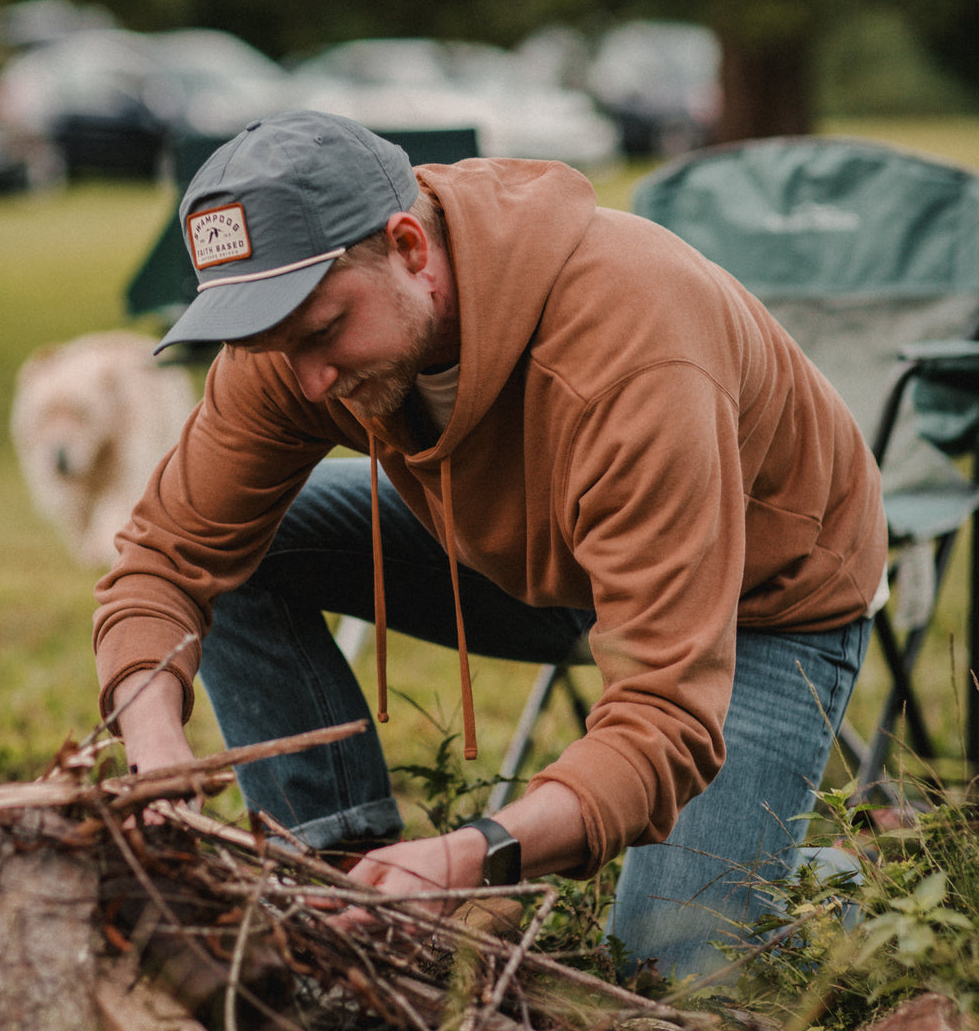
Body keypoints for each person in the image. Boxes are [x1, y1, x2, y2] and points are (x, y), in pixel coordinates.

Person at [93, 110, 887, 978]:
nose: (307, 378)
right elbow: (167, 557)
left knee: (675, 965)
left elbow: (664, 714)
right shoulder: (291, 341)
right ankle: (341, 881)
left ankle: (843, 889)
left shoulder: (635, 345)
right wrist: (153, 746)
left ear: (408, 247)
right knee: (251, 550)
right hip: (519, 549)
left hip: (755, 599)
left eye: (322, 331)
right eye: (267, 341)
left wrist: (470, 855)